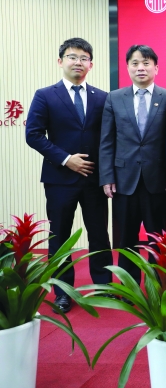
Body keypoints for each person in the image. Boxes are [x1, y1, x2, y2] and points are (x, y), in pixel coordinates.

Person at [25, 37, 112, 313]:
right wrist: (66, 159)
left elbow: (108, 138)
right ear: (60, 61)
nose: (78, 62)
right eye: (72, 57)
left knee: (99, 234)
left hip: (94, 179)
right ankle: (62, 293)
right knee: (59, 235)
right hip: (59, 179)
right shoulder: (45, 95)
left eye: (84, 58)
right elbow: (33, 135)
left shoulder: (103, 98)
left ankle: (104, 287)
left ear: (91, 64)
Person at [99, 45, 166, 285]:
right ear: (128, 67)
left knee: (158, 238)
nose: (140, 68)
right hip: (124, 180)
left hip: (158, 179)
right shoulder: (114, 98)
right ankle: (129, 286)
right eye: (135, 63)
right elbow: (107, 141)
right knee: (126, 239)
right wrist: (107, 177)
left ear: (156, 68)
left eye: (146, 63)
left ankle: (158, 286)